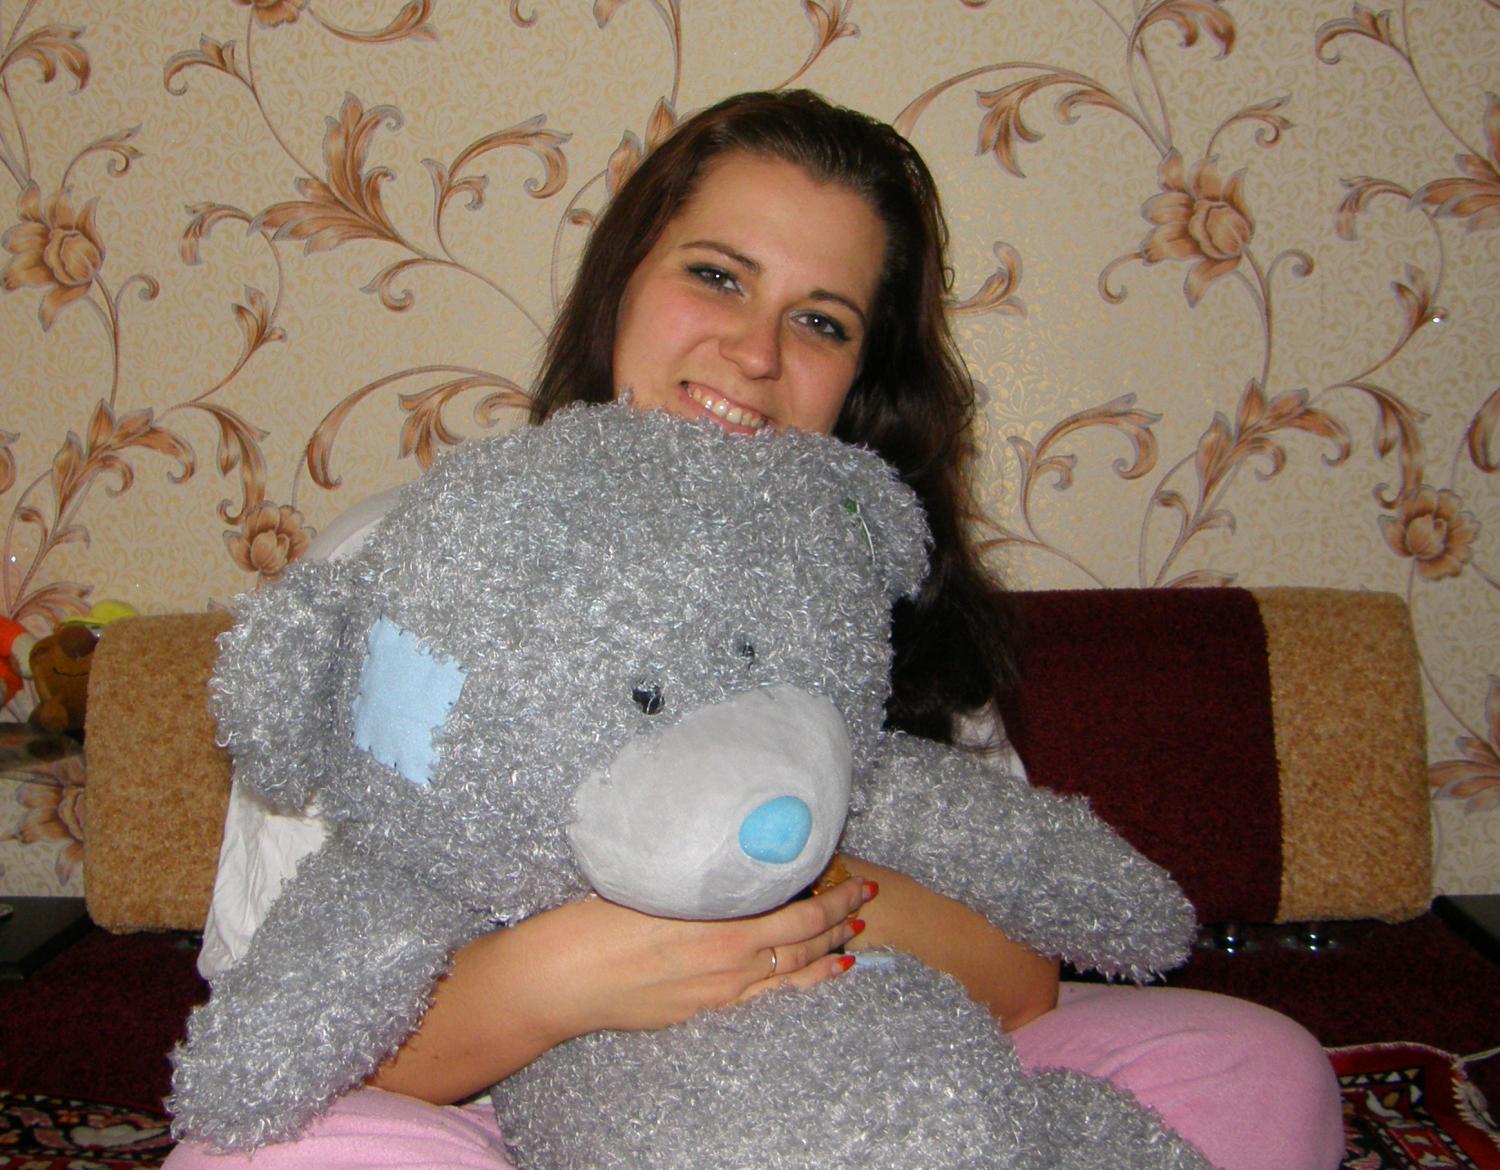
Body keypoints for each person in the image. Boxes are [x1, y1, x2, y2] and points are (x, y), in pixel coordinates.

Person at [164, 90, 1343, 1170]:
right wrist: (564, 973)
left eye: (821, 320)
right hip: (484, 1109)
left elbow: (1021, 982)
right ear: (622, 281)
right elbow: (278, 1024)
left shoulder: (858, 586)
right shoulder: (412, 564)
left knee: (1256, 1067)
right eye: (718, 276)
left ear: (862, 376)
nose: (759, 353)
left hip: (866, 1066)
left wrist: (776, 878)